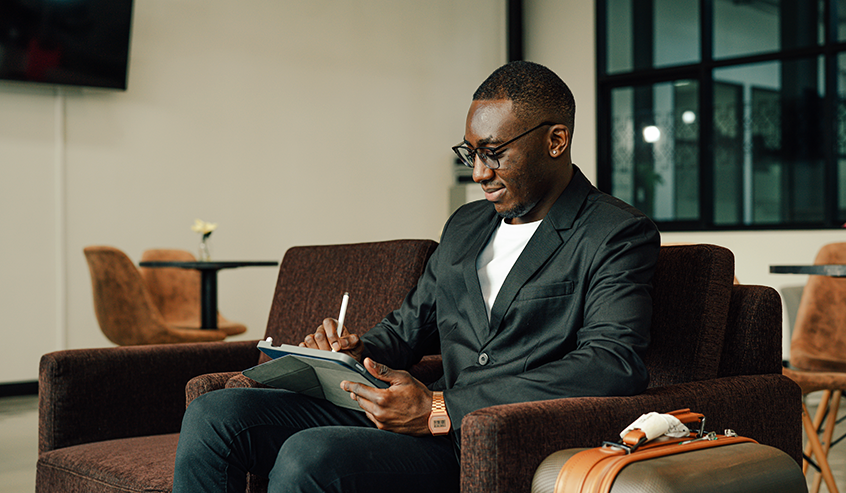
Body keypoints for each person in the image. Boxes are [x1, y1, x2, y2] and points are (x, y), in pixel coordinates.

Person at [172, 60, 660, 493]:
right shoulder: (466, 226)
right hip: (410, 416)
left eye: (494, 152)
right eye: (470, 153)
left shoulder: (615, 232)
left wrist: (442, 407)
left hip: (482, 439)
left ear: (556, 140)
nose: (479, 174)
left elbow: (611, 363)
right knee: (215, 415)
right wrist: (355, 353)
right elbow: (408, 329)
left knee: (309, 456)